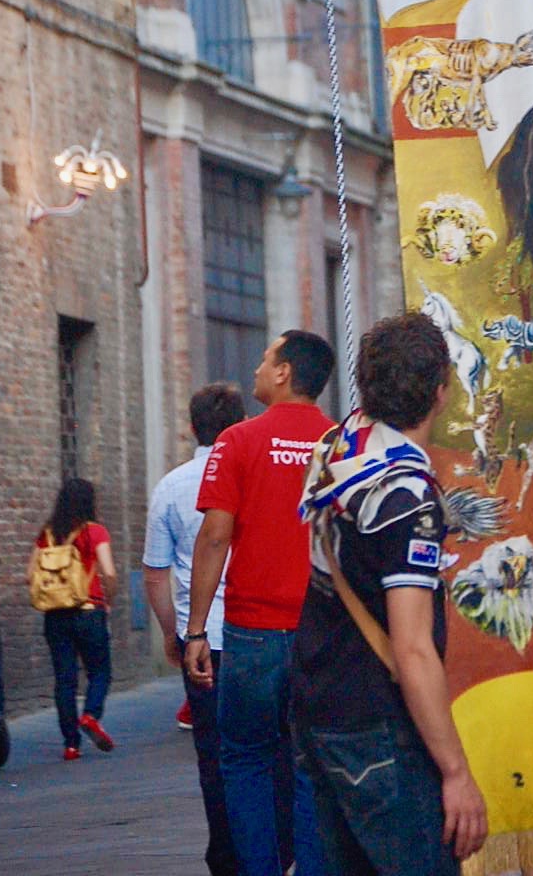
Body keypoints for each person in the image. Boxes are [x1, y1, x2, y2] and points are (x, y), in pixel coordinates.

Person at [291, 312, 487, 873]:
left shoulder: (339, 445)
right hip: (374, 721)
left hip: (318, 699)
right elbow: (412, 648)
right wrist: (456, 772)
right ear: (441, 393)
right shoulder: (405, 496)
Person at [184, 331, 335, 876]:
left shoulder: (238, 440)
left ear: (285, 373)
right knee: (311, 765)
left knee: (244, 759)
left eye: (265, 358)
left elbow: (216, 536)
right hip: (322, 635)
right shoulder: (340, 444)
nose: (255, 366)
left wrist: (196, 630)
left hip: (251, 635)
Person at [143, 381, 247, 876]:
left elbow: (156, 573)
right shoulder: (257, 475)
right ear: (241, 423)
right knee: (273, 747)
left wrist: (173, 632)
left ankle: (225, 857)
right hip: (261, 633)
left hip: (202, 641)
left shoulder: (171, 487)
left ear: (191, 427)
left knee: (214, 753)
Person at [29, 477, 118, 761]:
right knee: (100, 672)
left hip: (55, 616)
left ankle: (71, 744)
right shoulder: (95, 532)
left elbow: (29, 575)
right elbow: (109, 572)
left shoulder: (47, 533)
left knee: (64, 680)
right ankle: (91, 715)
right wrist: (109, 600)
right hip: (89, 611)